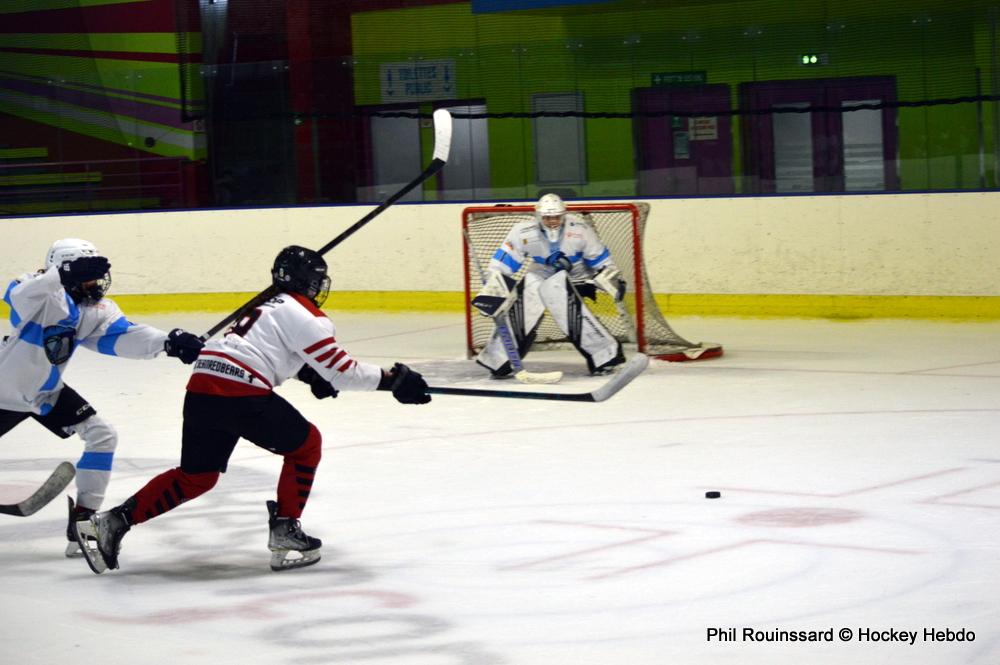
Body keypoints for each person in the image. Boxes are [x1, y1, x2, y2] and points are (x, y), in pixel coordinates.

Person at [75, 245, 432, 574]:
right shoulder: (307, 316)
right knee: (306, 445)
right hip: (239, 391)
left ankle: (111, 522)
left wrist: (310, 375)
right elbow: (343, 372)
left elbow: (269, 351)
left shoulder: (265, 306)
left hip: (202, 386)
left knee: (197, 476)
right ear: (308, 282)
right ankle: (286, 531)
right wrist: (393, 380)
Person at [0, 238, 204, 556]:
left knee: (102, 435)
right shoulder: (37, 292)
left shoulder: (95, 311)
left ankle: (82, 525)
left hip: (44, 393)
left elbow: (123, 337)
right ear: (64, 272)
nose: (95, 284)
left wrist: (168, 342)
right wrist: (59, 276)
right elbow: (18, 298)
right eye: (87, 276)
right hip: (4, 392)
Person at [471, 193, 627, 376]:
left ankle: (605, 355)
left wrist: (610, 278)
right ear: (538, 216)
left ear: (564, 215)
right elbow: (501, 265)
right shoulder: (523, 232)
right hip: (542, 274)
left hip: (576, 278)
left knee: (557, 289)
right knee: (530, 286)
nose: (552, 221)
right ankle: (498, 358)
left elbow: (601, 261)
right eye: (547, 217)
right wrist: (492, 291)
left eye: (556, 217)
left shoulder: (580, 229)